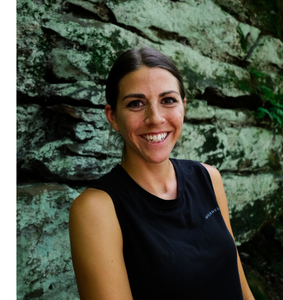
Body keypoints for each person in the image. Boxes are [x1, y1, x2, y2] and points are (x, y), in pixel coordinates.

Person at [69, 47, 255, 300]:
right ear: (112, 116)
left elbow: (238, 281)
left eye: (168, 100)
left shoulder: (209, 178)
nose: (155, 118)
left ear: (183, 107)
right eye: (136, 104)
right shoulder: (97, 208)